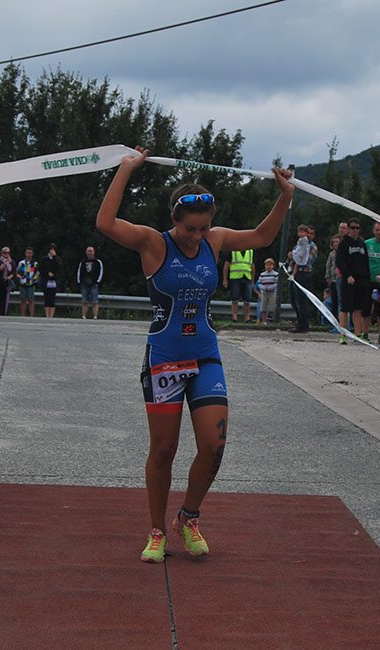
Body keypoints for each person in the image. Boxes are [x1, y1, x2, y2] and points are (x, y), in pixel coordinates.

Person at [95, 146, 294, 563]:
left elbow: (261, 237)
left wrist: (285, 196)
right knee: (163, 450)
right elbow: (105, 222)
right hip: (164, 357)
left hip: (205, 355)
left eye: (204, 228)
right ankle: (155, 529)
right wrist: (126, 170)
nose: (198, 236)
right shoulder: (153, 243)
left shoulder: (215, 241)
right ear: (175, 221)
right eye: (191, 229)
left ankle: (188, 517)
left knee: (213, 445)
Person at [336, 217, 371, 344]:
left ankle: (358, 334)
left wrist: (367, 279)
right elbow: (340, 261)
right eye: (353, 228)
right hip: (349, 279)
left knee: (358, 308)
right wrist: (348, 275)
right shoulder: (344, 244)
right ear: (348, 229)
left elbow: (366, 262)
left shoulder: (362, 244)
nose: (355, 230)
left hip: (362, 280)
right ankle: (343, 334)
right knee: (345, 307)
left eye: (357, 228)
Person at [289, 224, 317, 333]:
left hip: (303, 273)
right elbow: (295, 254)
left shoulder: (312, 247)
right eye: (307, 232)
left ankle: (303, 325)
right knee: (293, 299)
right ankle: (299, 321)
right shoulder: (300, 244)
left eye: (311, 234)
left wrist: (296, 257)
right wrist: (292, 256)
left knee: (301, 300)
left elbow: (306, 261)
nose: (308, 235)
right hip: (294, 273)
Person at [222, 248, 254, 323]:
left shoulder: (250, 251)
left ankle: (247, 317)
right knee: (234, 298)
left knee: (247, 299)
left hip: (247, 277)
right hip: (235, 277)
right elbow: (226, 265)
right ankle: (234, 317)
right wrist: (225, 279)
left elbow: (252, 266)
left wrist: (252, 280)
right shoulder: (233, 251)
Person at [77, 246, 104, 319]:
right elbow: (79, 272)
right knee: (84, 301)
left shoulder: (98, 262)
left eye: (91, 251)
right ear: (86, 252)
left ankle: (95, 316)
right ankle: (84, 316)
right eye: (88, 251)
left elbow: (101, 272)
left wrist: (97, 282)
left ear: (94, 252)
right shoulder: (83, 262)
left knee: (95, 301)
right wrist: (80, 281)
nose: (90, 253)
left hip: (94, 284)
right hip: (84, 284)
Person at [17, 246, 39, 317]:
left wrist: (33, 280)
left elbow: (37, 273)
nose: (28, 255)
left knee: (31, 299)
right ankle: (23, 315)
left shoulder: (35, 263)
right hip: (23, 283)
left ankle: (31, 315)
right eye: (27, 253)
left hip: (31, 284)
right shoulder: (21, 263)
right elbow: (18, 272)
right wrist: (20, 279)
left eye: (30, 253)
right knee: (23, 300)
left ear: (32, 254)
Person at [40, 243, 62, 318]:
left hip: (54, 281)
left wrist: (54, 256)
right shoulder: (44, 258)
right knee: (47, 298)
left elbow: (59, 267)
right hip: (46, 280)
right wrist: (47, 273)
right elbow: (41, 269)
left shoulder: (57, 259)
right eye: (51, 249)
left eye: (53, 249)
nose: (52, 251)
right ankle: (47, 315)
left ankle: (51, 315)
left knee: (52, 298)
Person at [257, 257, 279, 324]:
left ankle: (273, 320)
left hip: (272, 293)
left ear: (273, 266)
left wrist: (270, 288)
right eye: (267, 265)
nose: (268, 266)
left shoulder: (276, 274)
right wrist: (264, 288)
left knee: (273, 307)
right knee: (264, 307)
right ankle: (264, 321)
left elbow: (277, 283)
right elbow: (259, 283)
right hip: (264, 293)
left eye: (270, 265)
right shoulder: (262, 275)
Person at [324, 235, 341, 323]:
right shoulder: (332, 254)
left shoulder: (342, 253)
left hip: (340, 279)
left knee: (340, 300)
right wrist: (328, 278)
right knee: (334, 301)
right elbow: (328, 265)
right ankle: (334, 321)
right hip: (333, 280)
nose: (335, 244)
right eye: (334, 242)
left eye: (337, 242)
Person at [0, 246, 15, 315]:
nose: (6, 254)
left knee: (6, 298)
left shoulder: (11, 262)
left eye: (8, 253)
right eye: (4, 253)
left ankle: (5, 312)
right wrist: (3, 264)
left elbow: (14, 272)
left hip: (8, 282)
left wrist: (10, 276)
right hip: (0, 282)